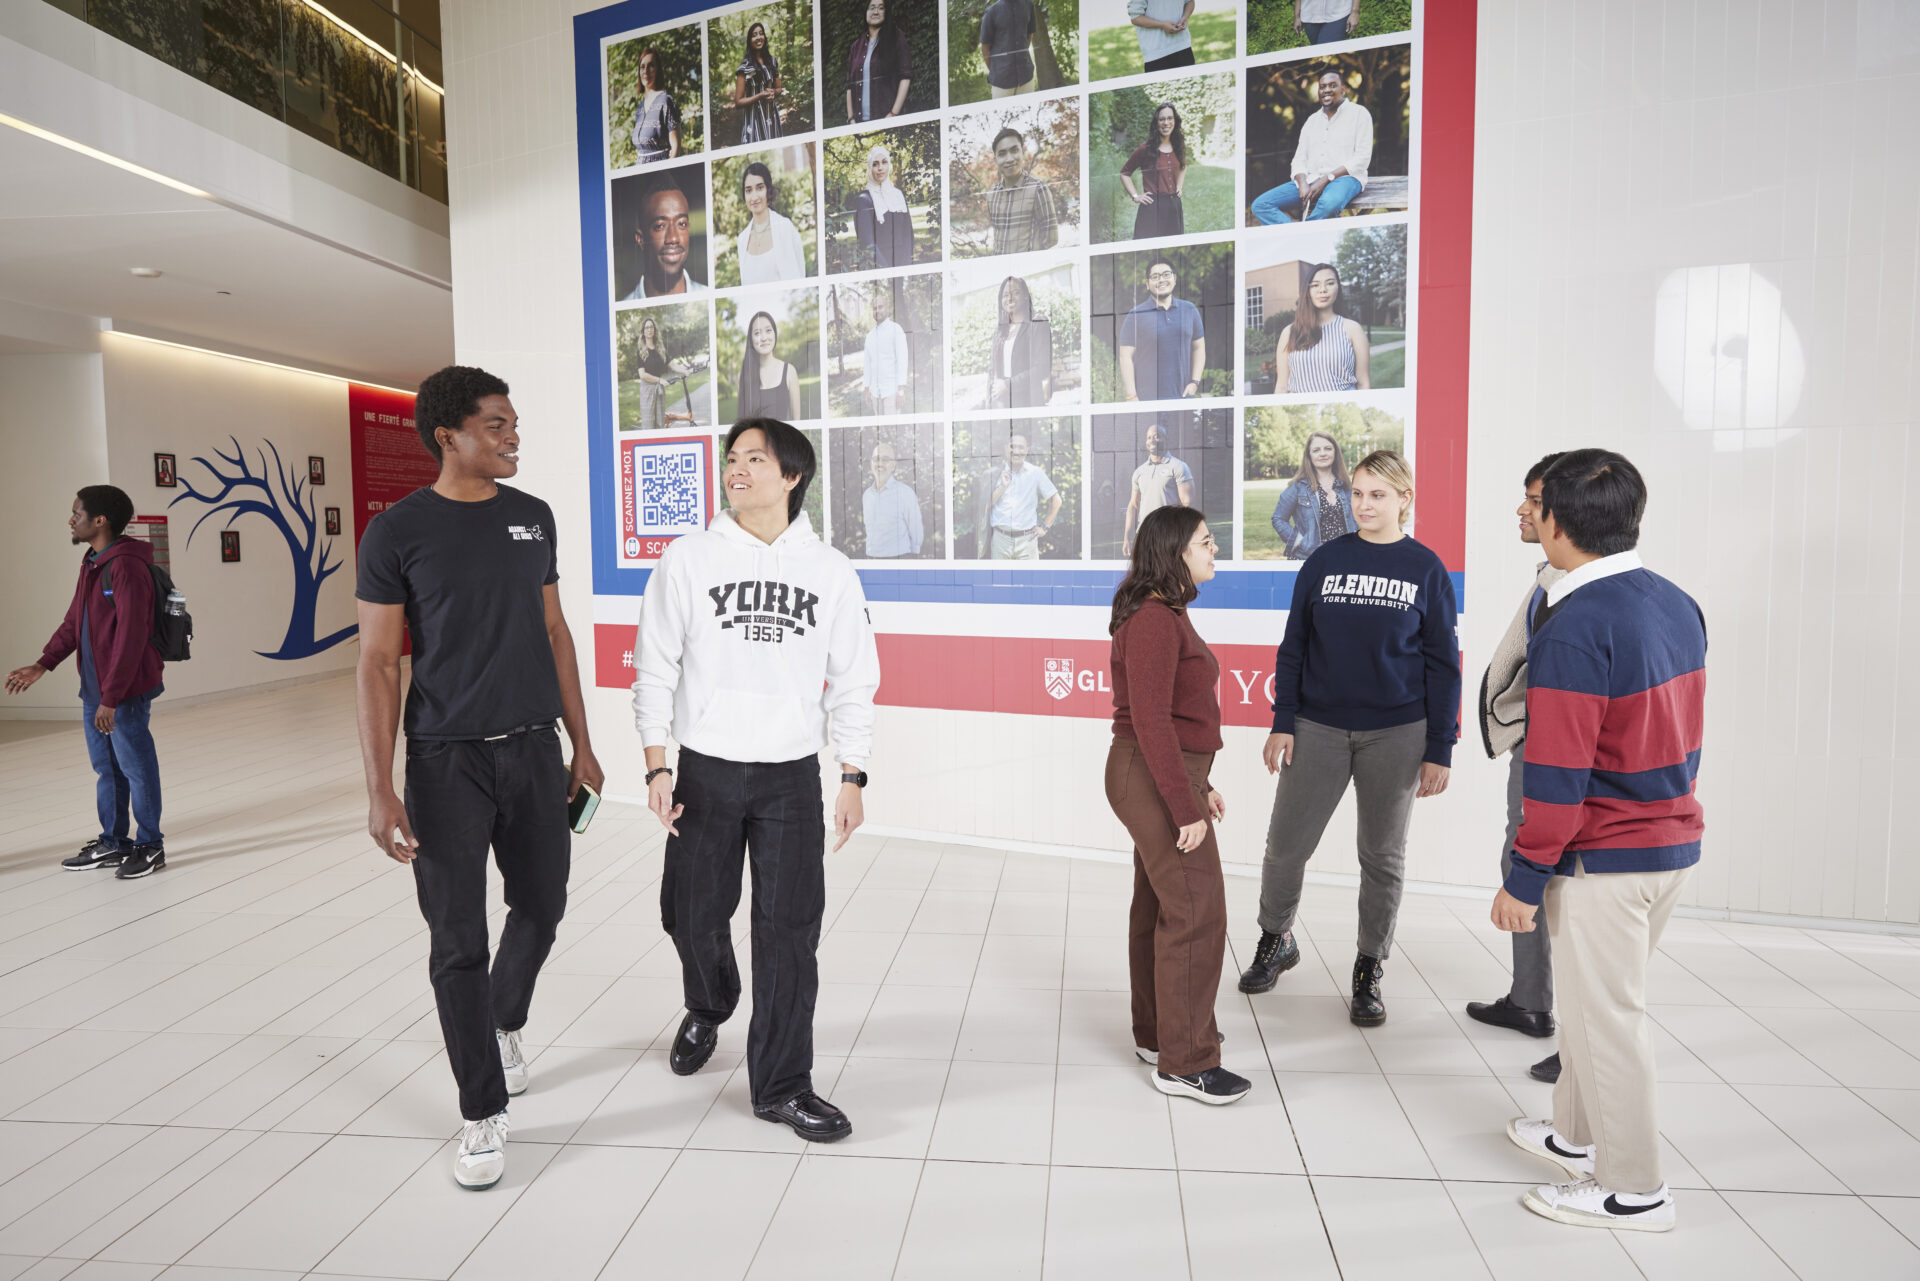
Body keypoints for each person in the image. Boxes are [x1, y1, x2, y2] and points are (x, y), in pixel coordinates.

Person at [353, 365, 605, 1191]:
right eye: (496, 425)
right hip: (443, 761)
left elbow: (557, 631)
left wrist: (583, 741)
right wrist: (380, 785)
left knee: (543, 902)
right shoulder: (396, 533)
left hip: (534, 750)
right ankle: (481, 1110)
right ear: (448, 436)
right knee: (458, 940)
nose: (512, 437)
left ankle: (503, 1019)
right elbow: (380, 664)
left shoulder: (533, 518)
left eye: (513, 424)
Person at [634, 417, 880, 1143]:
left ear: (792, 475)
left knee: (788, 932)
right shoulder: (689, 558)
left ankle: (781, 1084)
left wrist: (853, 774)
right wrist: (657, 761)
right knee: (691, 913)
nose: (736, 469)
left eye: (754, 458)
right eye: (731, 458)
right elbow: (654, 665)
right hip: (704, 771)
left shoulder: (829, 569)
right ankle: (710, 1004)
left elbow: (855, 682)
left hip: (789, 779)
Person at [1492, 449, 1705, 1234]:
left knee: (1608, 1020)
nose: (1525, 514)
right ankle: (1575, 1135)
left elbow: (1555, 773)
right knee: (1591, 1009)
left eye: (1533, 503)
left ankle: (1635, 1188)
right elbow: (1681, 732)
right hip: (1666, 841)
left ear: (1558, 522)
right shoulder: (1675, 601)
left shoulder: (1577, 624)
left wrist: (1523, 877)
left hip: (1607, 859)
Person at [1237, 450, 1460, 1028]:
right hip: (1318, 725)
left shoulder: (1426, 568)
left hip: (1398, 731)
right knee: (1286, 846)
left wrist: (1441, 747)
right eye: (1357, 494)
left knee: (1381, 857)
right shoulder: (1324, 561)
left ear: (1404, 499)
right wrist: (1282, 720)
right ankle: (1275, 940)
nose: (1364, 505)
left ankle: (1368, 967)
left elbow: (1443, 665)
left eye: (1378, 495)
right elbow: (1294, 647)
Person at [1106, 506, 1250, 1106]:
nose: (1215, 550)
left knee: (1161, 905)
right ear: (1175, 552)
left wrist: (1201, 785)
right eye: (1206, 542)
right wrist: (1183, 806)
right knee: (1196, 910)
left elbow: (1174, 720)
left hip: (1164, 771)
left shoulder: (1166, 613)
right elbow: (1152, 722)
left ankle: (1158, 1034)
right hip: (1151, 770)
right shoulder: (1154, 620)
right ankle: (1185, 1062)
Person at [6, 486, 167, 880]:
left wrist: (112, 697)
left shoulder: (125, 566)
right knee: (106, 768)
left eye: (76, 513)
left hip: (122, 691)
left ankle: (150, 846)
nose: (70, 519)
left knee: (136, 767)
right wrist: (42, 664)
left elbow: (131, 636)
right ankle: (114, 842)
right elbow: (73, 622)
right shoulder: (94, 561)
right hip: (96, 690)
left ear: (101, 520)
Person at [1466, 454, 1567, 1080]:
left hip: (1557, 758)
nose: (1521, 509)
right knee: (1521, 863)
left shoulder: (1578, 594)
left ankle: (1580, 1043)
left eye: (1533, 498)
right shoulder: (1551, 579)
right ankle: (1530, 1002)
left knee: (1556, 887)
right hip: (1536, 750)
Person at [1251, 68, 1373, 224]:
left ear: (1343, 89)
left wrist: (1325, 179)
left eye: (1332, 85)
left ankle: (1304, 237)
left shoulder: (1359, 114)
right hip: (1310, 180)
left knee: (1329, 205)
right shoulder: (1312, 121)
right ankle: (1300, 236)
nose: (1326, 90)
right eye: (1322, 87)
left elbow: (1362, 159)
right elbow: (1299, 159)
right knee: (1261, 205)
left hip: (1346, 179)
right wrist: (1302, 183)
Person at [1118, 258, 1206, 402]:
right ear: (1147, 284)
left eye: (1166, 274)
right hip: (1148, 401)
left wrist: (1195, 382)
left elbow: (1199, 347)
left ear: (1174, 278)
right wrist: (1132, 395)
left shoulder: (1189, 309)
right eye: (1155, 277)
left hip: (1184, 397)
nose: (1161, 280)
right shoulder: (1136, 315)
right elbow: (1125, 356)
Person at [1275, 264, 1369, 392]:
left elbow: (1363, 383)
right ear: (1307, 291)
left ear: (1338, 288)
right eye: (1315, 285)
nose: (1322, 290)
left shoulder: (1353, 329)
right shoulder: (1289, 332)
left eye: (1330, 283)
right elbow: (1281, 386)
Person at [1268, 430, 1356, 559]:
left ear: (1335, 452)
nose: (1323, 454)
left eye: (1327, 448)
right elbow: (1278, 518)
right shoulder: (1298, 486)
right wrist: (1300, 542)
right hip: (1309, 558)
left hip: (1342, 557)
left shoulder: (1346, 486)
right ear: (1309, 456)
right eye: (1316, 450)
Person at [980, 434, 1061, 559]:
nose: (1016, 451)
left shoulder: (1035, 473)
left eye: (1021, 447)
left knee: (1028, 579)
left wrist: (1044, 527)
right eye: (1012, 447)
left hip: (1027, 541)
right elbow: (987, 504)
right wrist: (1002, 486)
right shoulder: (996, 473)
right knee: (1000, 579)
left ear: (1026, 451)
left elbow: (1056, 500)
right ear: (1006, 449)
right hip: (1000, 540)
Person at [623, 179, 707, 300]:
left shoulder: (706, 295)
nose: (673, 238)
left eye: (682, 224)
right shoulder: (625, 305)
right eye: (660, 226)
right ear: (641, 239)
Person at [986, 126, 1060, 256]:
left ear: (1023, 152)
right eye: (1002, 154)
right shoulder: (992, 195)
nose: (1009, 159)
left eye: (1014, 150)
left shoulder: (1038, 189)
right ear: (995, 160)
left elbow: (1051, 239)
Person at [1121, 423, 1193, 557]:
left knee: (1167, 575)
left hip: (1168, 535)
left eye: (1157, 436)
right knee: (1145, 576)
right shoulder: (1139, 472)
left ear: (1167, 440)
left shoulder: (1178, 467)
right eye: (1149, 437)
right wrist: (1127, 538)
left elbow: (1186, 503)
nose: (1152, 440)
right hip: (1144, 536)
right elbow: (1133, 505)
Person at [1119, 103, 1187, 240]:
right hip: (1151, 208)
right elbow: (1124, 173)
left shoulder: (1178, 145)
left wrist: (1179, 186)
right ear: (1156, 123)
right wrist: (1135, 196)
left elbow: (1183, 166)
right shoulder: (1145, 149)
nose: (1166, 123)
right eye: (1162, 119)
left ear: (1175, 121)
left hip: (1174, 207)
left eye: (1170, 118)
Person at [736, 162, 808, 285]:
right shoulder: (742, 240)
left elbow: (799, 280)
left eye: (760, 188)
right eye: (748, 190)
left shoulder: (785, 228)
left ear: (768, 189)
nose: (754, 197)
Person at [988, 275, 1053, 408]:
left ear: (1024, 296)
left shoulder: (1037, 323)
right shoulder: (1000, 331)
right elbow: (992, 371)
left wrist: (1008, 385)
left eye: (1016, 293)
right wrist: (990, 404)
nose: (1010, 298)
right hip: (1002, 405)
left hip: (1028, 402)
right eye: (1005, 295)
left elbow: (1042, 368)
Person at [845, 0, 913, 123]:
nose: (876, 12)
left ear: (886, 12)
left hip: (887, 121)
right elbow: (849, 86)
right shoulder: (856, 46)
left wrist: (893, 114)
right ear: (865, 12)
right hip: (859, 124)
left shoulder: (896, 37)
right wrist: (851, 119)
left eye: (881, 8)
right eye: (872, 8)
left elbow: (905, 77)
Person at [853, 145, 915, 270]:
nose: (880, 168)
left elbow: (908, 233)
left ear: (889, 165)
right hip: (879, 266)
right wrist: (886, 272)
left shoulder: (898, 194)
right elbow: (867, 242)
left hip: (902, 264)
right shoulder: (864, 199)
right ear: (870, 168)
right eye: (875, 164)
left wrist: (905, 265)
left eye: (884, 162)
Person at [862, 441, 924, 557]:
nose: (879, 463)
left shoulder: (905, 493)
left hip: (899, 560)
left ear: (893, 465)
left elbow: (916, 531)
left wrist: (913, 558)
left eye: (885, 459)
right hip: (871, 560)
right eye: (876, 459)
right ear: (871, 463)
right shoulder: (867, 495)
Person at [737, 311, 801, 420]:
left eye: (768, 331)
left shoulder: (789, 371)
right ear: (751, 340)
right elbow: (742, 424)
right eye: (757, 333)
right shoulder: (743, 375)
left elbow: (797, 423)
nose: (764, 338)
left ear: (774, 333)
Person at [634, 315, 690, 430]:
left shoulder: (660, 349)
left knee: (660, 423)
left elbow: (672, 364)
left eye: (651, 327)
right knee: (649, 425)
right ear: (643, 331)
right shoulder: (641, 351)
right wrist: (659, 380)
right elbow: (642, 375)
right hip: (647, 390)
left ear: (654, 330)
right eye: (647, 328)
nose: (649, 329)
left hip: (659, 389)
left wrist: (684, 371)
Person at [733, 23, 784, 145]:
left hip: (771, 117)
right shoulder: (744, 69)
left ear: (765, 37)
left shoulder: (772, 61)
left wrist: (773, 93)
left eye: (761, 33)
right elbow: (738, 102)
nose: (758, 37)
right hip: (753, 120)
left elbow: (779, 88)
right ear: (750, 41)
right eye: (754, 35)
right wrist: (760, 96)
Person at [861, 288, 911, 413]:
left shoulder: (896, 330)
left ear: (888, 309)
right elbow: (867, 366)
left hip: (891, 392)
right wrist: (867, 390)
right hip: (875, 394)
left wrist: (900, 390)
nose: (877, 310)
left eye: (880, 307)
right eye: (875, 308)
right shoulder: (870, 336)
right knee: (880, 431)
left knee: (892, 430)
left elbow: (902, 361)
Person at [629, 47, 682, 164]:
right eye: (642, 67)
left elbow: (676, 148)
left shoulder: (665, 101)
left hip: (660, 174)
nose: (646, 71)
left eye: (651, 66)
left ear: (658, 70)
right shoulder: (639, 109)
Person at [978, 0, 1037, 97]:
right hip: (1002, 83)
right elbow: (985, 48)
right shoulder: (991, 12)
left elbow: (1029, 35)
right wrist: (998, 71)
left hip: (1026, 78)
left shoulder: (1028, 5)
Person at [1127, 0, 1195, 72]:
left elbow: (1190, 2)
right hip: (1157, 54)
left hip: (1183, 47)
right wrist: (1162, 25)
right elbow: (1136, 18)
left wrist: (1185, 17)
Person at [1295, 0, 1361, 43]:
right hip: (1309, 15)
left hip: (1339, 13)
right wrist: (1297, 16)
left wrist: (1355, 11)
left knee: (1325, 51)